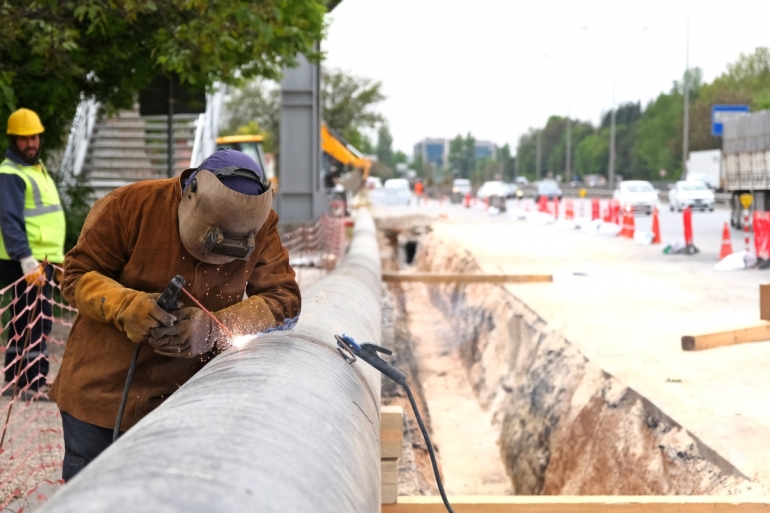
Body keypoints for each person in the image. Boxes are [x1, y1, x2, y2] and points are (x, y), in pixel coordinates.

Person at [49, 149, 301, 481]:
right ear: (190, 195)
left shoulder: (262, 225)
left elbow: (284, 298)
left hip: (185, 403)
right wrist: (127, 306)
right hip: (101, 397)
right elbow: (75, 276)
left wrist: (215, 327)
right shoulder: (130, 206)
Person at [0, 108, 66, 399]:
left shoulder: (35, 170)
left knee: (25, 319)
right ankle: (30, 384)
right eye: (24, 139)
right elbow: (9, 219)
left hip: (42, 260)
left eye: (35, 137)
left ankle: (20, 379)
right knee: (34, 320)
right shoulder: (11, 174)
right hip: (26, 262)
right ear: (13, 140)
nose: (31, 143)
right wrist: (26, 259)